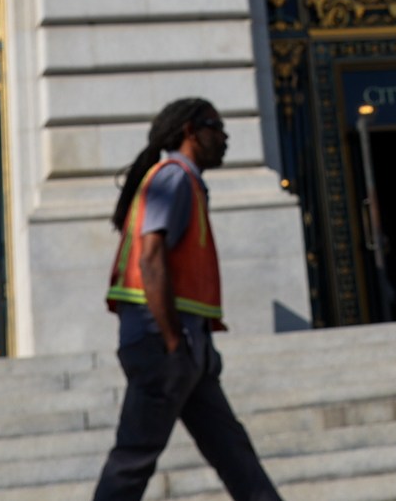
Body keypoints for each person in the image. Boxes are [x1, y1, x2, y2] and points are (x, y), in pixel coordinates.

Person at [93, 98, 285, 501]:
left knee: (233, 452)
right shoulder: (173, 178)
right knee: (134, 458)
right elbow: (150, 258)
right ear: (190, 131)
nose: (225, 137)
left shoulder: (186, 181)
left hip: (185, 345)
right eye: (216, 127)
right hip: (164, 344)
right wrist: (173, 342)